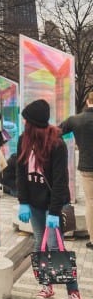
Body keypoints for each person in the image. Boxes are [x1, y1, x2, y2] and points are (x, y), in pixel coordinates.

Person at [16, 99, 83, 299]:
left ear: (34, 123)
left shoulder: (56, 144)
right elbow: (20, 174)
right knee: (39, 244)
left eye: (26, 121)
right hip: (34, 204)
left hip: (53, 205)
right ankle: (46, 285)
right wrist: (23, 202)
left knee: (55, 246)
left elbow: (61, 181)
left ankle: (74, 294)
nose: (24, 124)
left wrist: (54, 212)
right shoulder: (23, 141)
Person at [59, 90, 93, 250]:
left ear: (87, 101)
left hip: (87, 168)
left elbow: (56, 132)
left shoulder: (76, 120)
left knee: (91, 202)